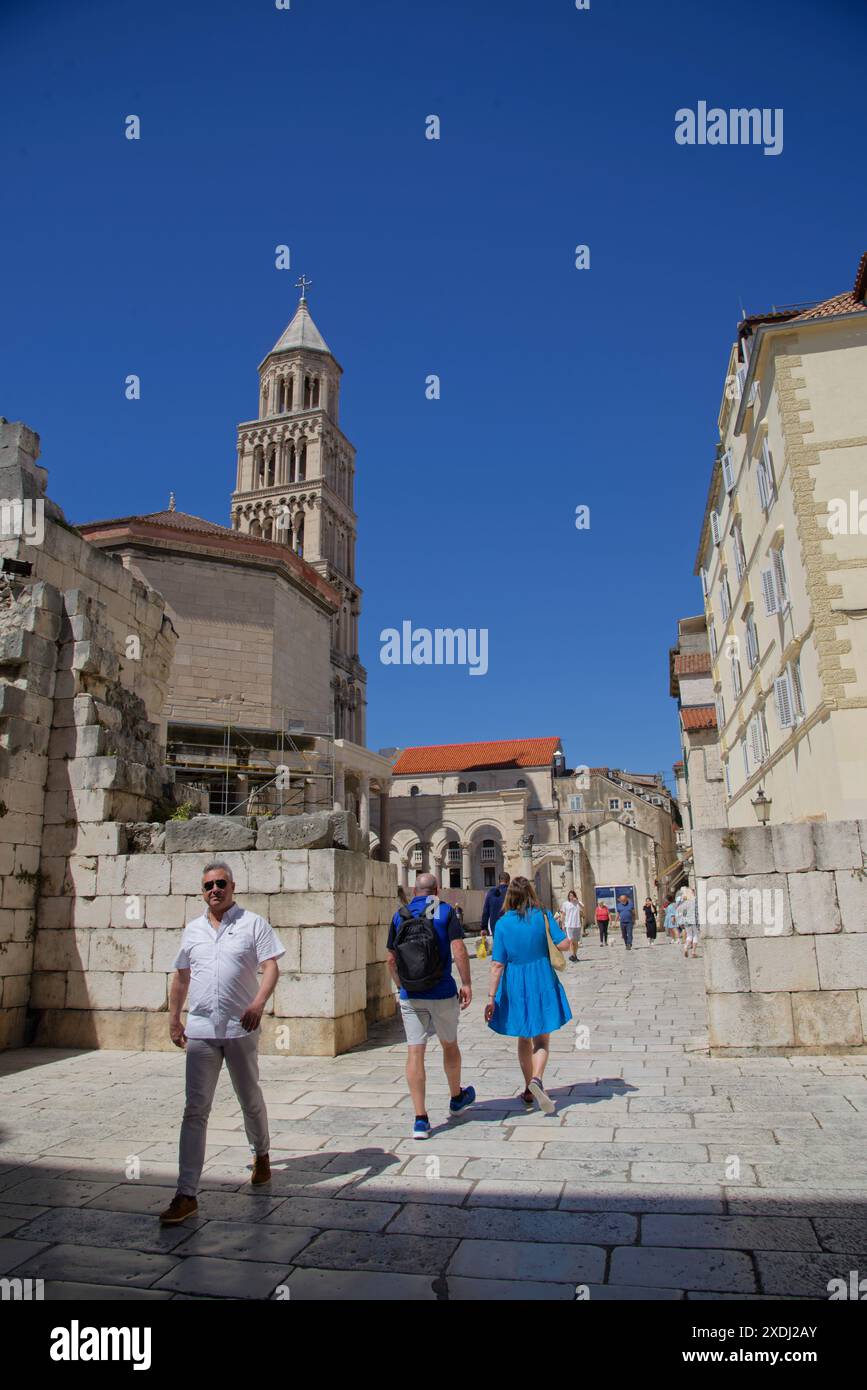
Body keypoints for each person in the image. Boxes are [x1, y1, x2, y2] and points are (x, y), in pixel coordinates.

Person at [160, 861, 285, 1225]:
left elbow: (272, 966)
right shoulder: (194, 930)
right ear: (202, 892)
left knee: (249, 1097)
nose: (214, 890)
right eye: (208, 886)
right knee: (195, 1109)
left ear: (232, 886)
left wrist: (259, 1003)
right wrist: (173, 1018)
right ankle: (186, 1193)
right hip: (200, 1029)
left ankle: (261, 1153)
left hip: (239, 1027)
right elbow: (182, 976)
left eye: (220, 884)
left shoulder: (253, 924)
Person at [386, 872, 475, 1139]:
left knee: (415, 1052)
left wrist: (401, 985)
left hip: (411, 994)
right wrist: (467, 983)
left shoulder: (400, 914)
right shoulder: (444, 910)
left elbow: (390, 959)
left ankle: (420, 1119)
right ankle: (456, 1097)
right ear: (437, 889)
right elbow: (458, 948)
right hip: (442, 992)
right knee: (449, 1045)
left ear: (414, 890)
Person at [484, 876, 573, 1114]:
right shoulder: (541, 915)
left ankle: (527, 1088)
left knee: (523, 1036)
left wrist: (491, 998)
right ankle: (537, 1079)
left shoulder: (502, 924)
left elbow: (497, 965)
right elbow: (564, 944)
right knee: (541, 1038)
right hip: (541, 977)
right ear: (531, 893)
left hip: (514, 982)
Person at [481, 872, 510, 948]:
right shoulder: (511, 892)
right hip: (509, 924)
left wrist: (484, 927)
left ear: (499, 880)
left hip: (495, 925)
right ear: (508, 881)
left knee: (498, 946)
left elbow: (485, 911)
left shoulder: (491, 892)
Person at [560, 889, 583, 962]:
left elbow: (582, 908)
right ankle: (572, 955)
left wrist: (577, 902)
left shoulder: (578, 903)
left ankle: (574, 955)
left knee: (576, 942)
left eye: (572, 895)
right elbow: (563, 914)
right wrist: (563, 924)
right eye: (570, 895)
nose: (571, 897)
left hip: (577, 924)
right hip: (569, 924)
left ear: (575, 896)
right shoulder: (565, 904)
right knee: (571, 941)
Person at [679, 885, 700, 958]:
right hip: (694, 920)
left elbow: (683, 912)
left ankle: (685, 947)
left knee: (689, 935)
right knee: (695, 935)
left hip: (687, 921)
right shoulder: (695, 900)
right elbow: (697, 911)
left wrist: (682, 921)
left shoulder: (685, 901)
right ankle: (693, 952)